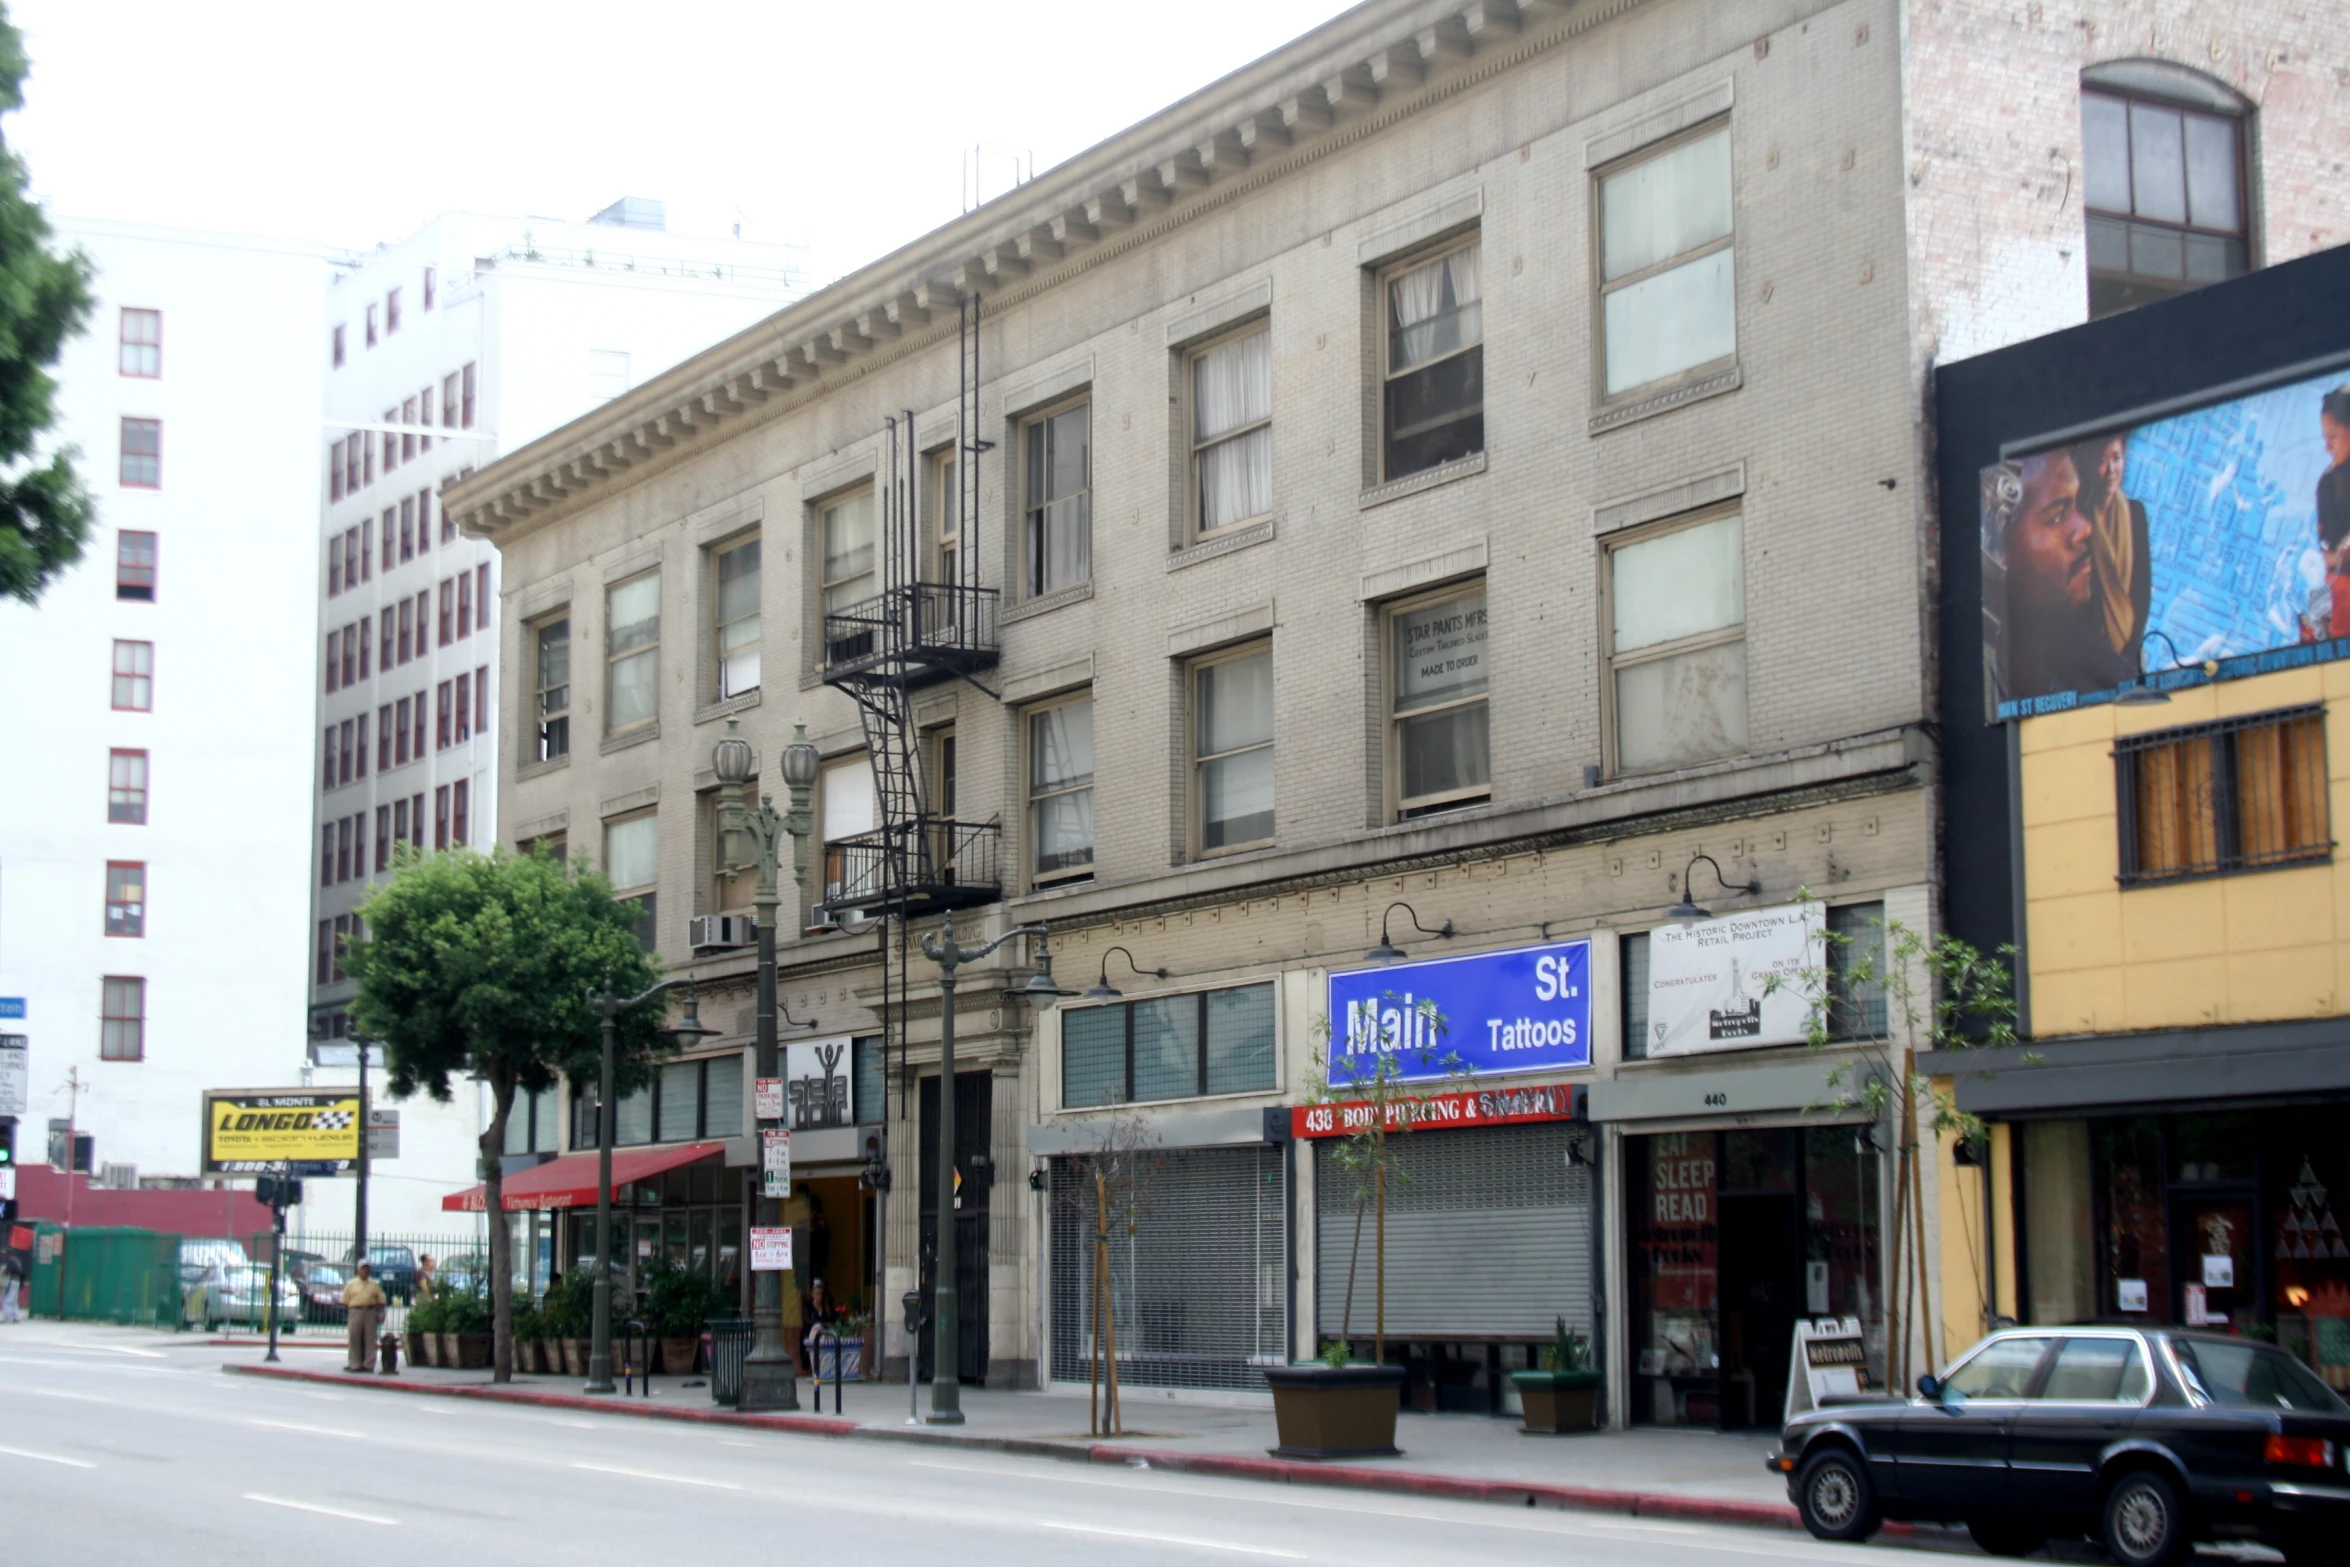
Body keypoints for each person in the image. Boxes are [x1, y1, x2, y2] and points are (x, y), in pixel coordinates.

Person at [1987, 449, 2108, 701]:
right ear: (1997, 551)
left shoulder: (2110, 671)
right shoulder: (1983, 683)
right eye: (2056, 517)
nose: (2085, 529)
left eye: (2078, 505)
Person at [2074, 434, 2151, 672]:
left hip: (2130, 656)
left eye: (2116, 458)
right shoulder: (2079, 518)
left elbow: (2142, 589)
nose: (2111, 470)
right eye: (2101, 461)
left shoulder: (2135, 513)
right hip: (2091, 662)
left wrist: (2128, 652)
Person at [2317, 388, 2350, 637]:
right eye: (2325, 438)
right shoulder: (2327, 485)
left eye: (2333, 437)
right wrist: (2340, 555)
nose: (2327, 447)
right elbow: (2324, 558)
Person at [342, 1260, 388, 1373]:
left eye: (367, 1268)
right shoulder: (351, 1284)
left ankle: (369, 1364)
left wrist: (380, 1314)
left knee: (370, 1338)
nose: (365, 1271)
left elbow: (381, 1300)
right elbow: (345, 1300)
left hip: (370, 1311)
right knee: (354, 1337)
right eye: (363, 1268)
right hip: (355, 1310)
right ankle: (355, 1363)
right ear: (358, 1270)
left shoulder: (374, 1284)